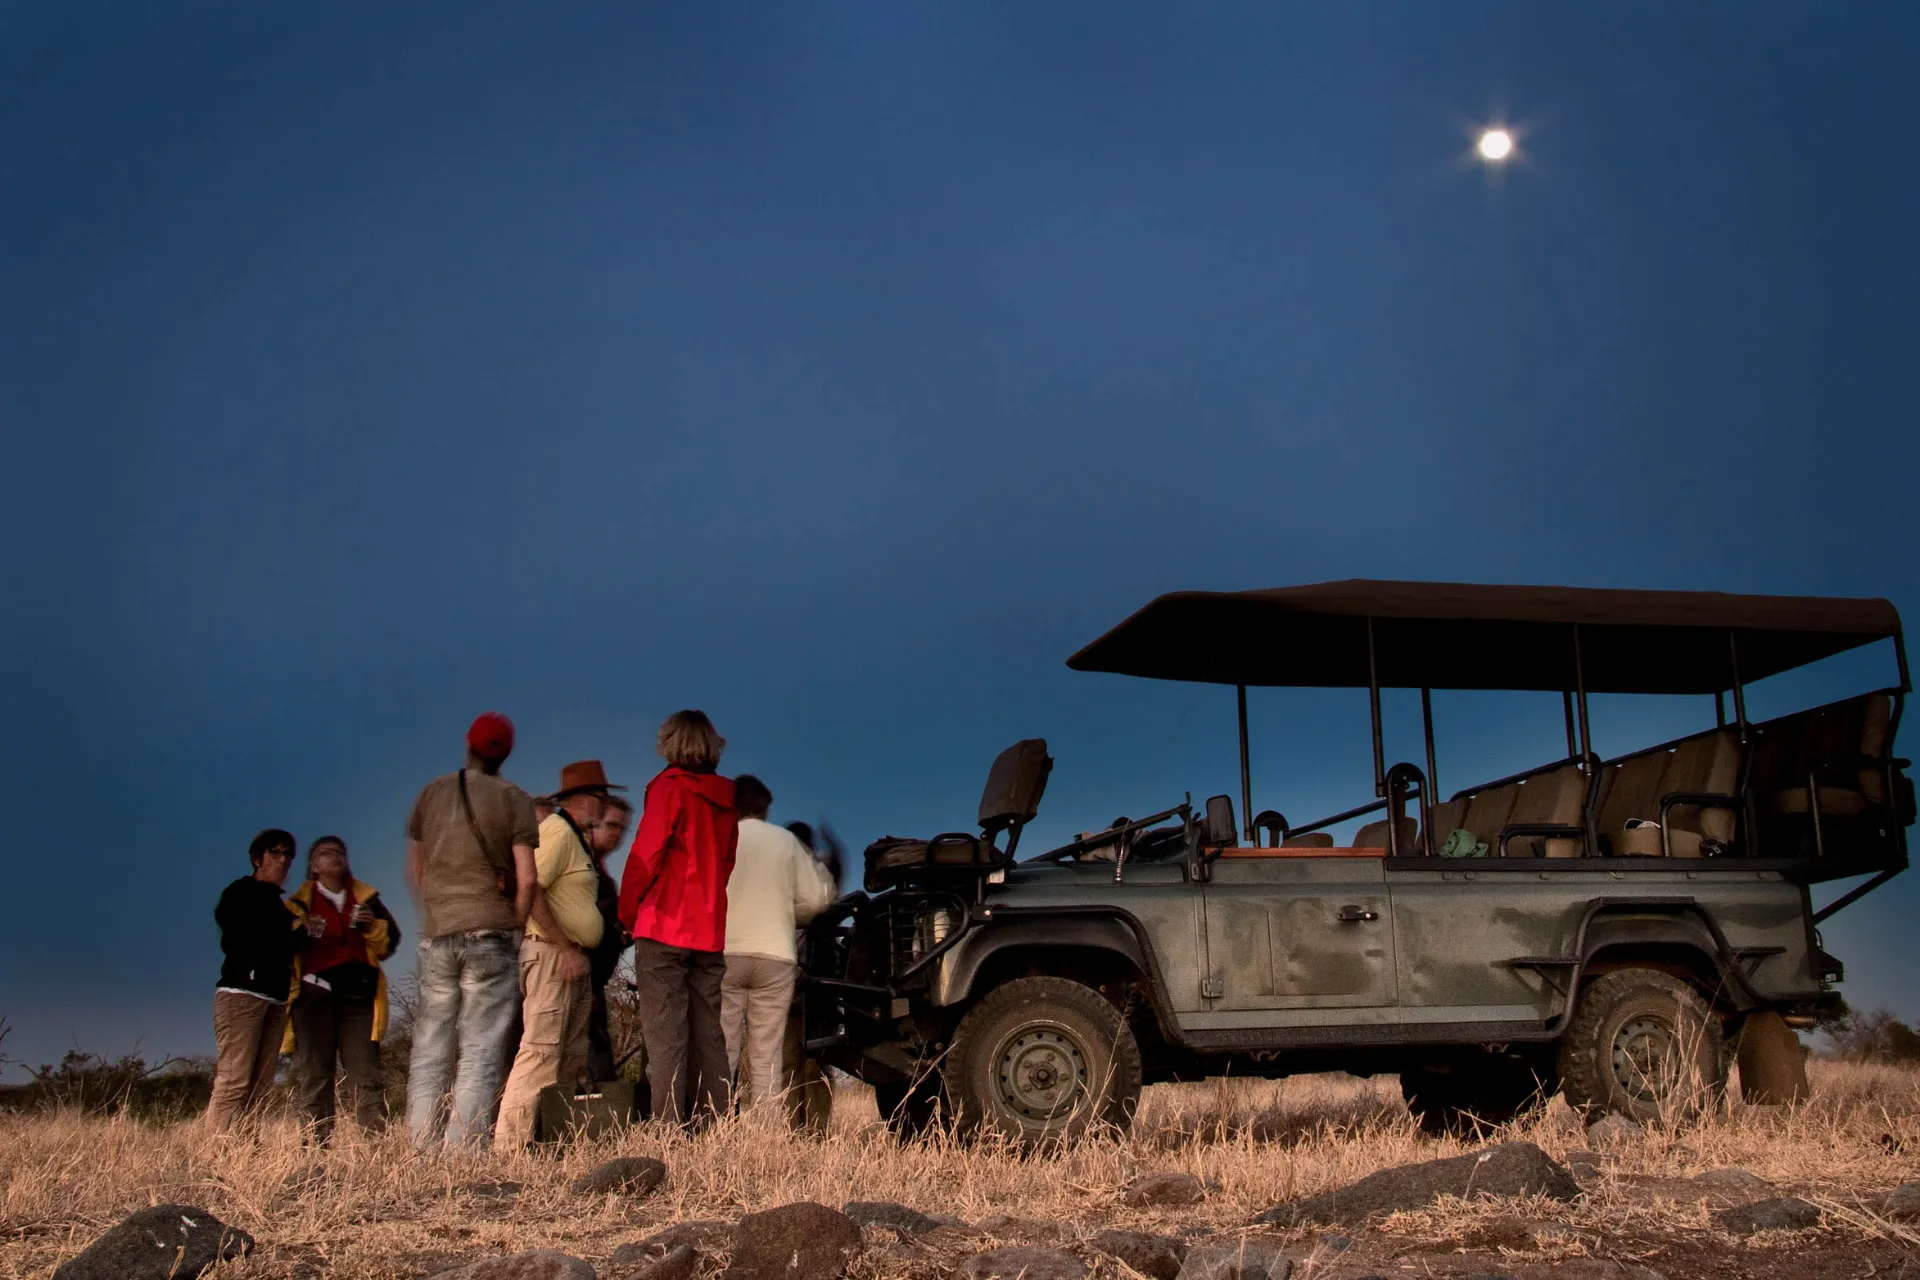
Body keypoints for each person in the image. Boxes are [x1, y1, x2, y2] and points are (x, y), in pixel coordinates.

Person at [403, 711, 541, 1150]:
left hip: (439, 935)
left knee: (429, 1050)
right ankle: (461, 1156)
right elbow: (529, 877)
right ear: (508, 753)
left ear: (467, 743)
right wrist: (516, 923)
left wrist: (435, 915)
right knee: (480, 1052)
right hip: (491, 935)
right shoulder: (513, 797)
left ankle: (420, 1151)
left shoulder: (433, 792)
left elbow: (416, 871)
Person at [618, 709, 738, 1125]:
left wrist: (627, 911)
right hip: (708, 928)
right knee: (709, 1034)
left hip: (663, 923)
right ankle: (715, 1124)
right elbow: (726, 863)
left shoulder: (668, 788)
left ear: (670, 742)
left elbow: (646, 855)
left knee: (665, 1032)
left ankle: (666, 1126)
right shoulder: (727, 799)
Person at [497, 760, 621, 1144]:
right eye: (601, 796)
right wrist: (564, 945)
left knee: (569, 1057)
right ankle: (509, 1148)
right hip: (553, 955)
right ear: (586, 798)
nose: (605, 805)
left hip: (573, 958)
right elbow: (530, 887)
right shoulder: (556, 832)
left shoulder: (574, 837)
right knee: (540, 1051)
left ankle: (552, 1141)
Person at [721, 777, 835, 1109]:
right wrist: (789, 913)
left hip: (726, 951)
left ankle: (715, 1125)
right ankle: (766, 1137)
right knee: (767, 1055)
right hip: (776, 954)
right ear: (765, 807)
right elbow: (818, 898)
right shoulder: (787, 842)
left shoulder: (722, 839)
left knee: (723, 1048)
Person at [283, 836, 401, 1140]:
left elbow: (390, 943)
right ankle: (314, 1148)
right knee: (315, 1074)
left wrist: (370, 926)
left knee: (366, 1073)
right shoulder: (298, 904)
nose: (333, 856)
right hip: (313, 996)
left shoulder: (366, 899)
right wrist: (303, 931)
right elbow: (282, 948)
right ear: (313, 866)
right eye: (325, 853)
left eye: (339, 852)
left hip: (359, 997)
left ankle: (377, 1149)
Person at [206, 828, 303, 1132]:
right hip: (241, 994)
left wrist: (301, 931)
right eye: (276, 853)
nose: (283, 860)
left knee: (261, 1085)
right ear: (257, 858)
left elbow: (289, 948)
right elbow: (234, 936)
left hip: (274, 998)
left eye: (288, 855)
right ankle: (213, 1153)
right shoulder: (241, 892)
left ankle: (246, 1154)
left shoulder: (281, 907)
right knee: (234, 1080)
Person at [586, 794, 634, 1084]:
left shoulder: (601, 872)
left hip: (596, 982)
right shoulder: (583, 868)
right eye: (612, 825)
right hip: (581, 979)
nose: (617, 834)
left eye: (622, 828)